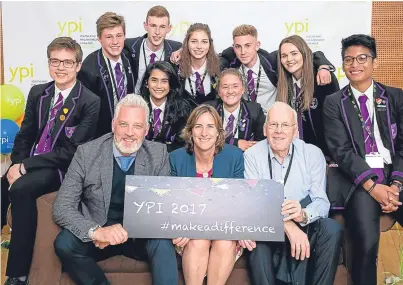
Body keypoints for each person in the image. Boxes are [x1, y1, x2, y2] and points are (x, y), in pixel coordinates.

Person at [2, 37, 100, 285]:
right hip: (31, 163)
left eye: (67, 62)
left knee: (22, 189)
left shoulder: (90, 101)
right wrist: (16, 165)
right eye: (55, 61)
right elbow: (24, 135)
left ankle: (17, 274)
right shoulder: (39, 93)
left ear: (78, 66)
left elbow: (71, 151)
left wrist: (25, 168)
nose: (61, 67)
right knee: (3, 184)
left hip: (61, 169)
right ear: (48, 64)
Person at [53, 94, 178, 285]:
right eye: (123, 124)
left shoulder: (158, 154)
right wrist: (95, 231)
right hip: (100, 235)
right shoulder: (87, 153)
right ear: (113, 125)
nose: (129, 132)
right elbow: (62, 207)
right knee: (64, 243)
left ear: (146, 130)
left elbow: (165, 205)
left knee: (162, 243)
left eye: (137, 126)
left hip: (139, 236)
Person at [323, 34, 403, 285]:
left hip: (396, 174)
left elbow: (402, 146)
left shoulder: (395, 97)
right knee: (366, 245)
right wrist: (373, 187)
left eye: (362, 58)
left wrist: (396, 185)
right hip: (359, 179)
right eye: (348, 60)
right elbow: (341, 151)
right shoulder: (334, 102)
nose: (354, 64)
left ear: (375, 62)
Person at [244, 102, 341, 285]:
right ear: (265, 129)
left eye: (285, 125)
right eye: (273, 124)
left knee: (331, 228)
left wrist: (303, 215)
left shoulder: (312, 154)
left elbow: (321, 202)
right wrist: (288, 226)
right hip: (268, 225)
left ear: (295, 130)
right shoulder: (252, 156)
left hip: (303, 220)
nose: (278, 131)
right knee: (258, 241)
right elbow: (254, 203)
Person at [169, 104, 244, 285]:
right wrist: (183, 227)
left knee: (225, 242)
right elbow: (170, 201)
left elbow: (239, 199)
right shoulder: (175, 158)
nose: (204, 133)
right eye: (198, 126)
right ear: (190, 132)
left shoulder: (234, 156)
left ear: (218, 133)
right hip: (189, 227)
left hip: (224, 225)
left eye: (210, 127)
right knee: (198, 241)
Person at [220, 25, 335, 113]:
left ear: (257, 45)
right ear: (233, 47)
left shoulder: (273, 61)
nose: (243, 52)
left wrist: (323, 67)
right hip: (246, 125)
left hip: (273, 123)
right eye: (238, 47)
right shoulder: (230, 64)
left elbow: (310, 54)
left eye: (248, 45)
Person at [276, 35, 340, 158]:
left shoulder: (323, 79)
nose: (289, 59)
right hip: (293, 154)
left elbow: (335, 124)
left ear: (304, 54)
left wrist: (323, 66)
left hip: (324, 155)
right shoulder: (285, 84)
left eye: (294, 53)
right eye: (284, 56)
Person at [78, 12, 135, 138]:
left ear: (124, 36)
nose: (115, 42)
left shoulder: (129, 56)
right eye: (109, 37)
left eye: (119, 36)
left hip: (129, 131)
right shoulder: (88, 68)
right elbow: (86, 113)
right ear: (99, 38)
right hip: (101, 135)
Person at [124, 5, 182, 94]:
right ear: (145, 26)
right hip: (135, 103)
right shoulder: (128, 46)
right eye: (153, 26)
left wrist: (182, 50)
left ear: (169, 28)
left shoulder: (176, 48)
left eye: (162, 26)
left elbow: (193, 47)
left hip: (163, 105)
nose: (157, 32)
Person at [206, 68, 265, 152]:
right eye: (225, 87)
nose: (230, 91)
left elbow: (261, 143)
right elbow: (204, 138)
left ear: (243, 89)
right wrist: (235, 143)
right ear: (219, 91)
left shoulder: (254, 110)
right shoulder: (208, 110)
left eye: (235, 86)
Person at [140, 61, 192, 152]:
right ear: (146, 83)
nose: (159, 86)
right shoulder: (137, 107)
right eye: (154, 80)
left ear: (170, 84)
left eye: (164, 81)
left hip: (171, 159)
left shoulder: (183, 109)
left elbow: (181, 145)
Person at [178, 23, 221, 108]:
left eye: (204, 42)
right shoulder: (176, 68)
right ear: (187, 43)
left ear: (210, 44)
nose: (199, 46)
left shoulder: (220, 67)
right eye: (194, 41)